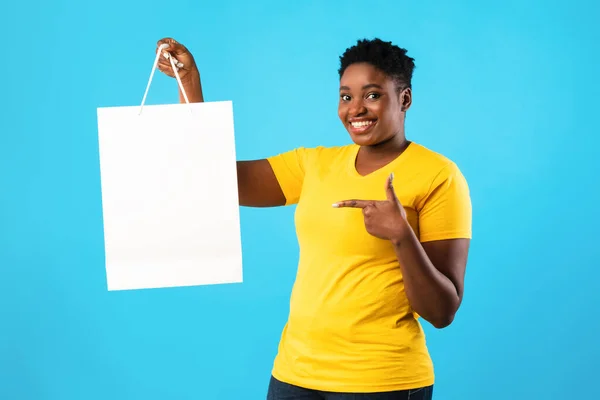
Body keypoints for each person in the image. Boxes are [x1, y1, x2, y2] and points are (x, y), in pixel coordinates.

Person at [155, 37, 472, 400]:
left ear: (404, 99)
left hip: (381, 381)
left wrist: (403, 237)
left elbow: (442, 310)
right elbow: (214, 180)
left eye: (372, 95)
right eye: (346, 96)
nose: (356, 109)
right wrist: (189, 84)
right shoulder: (315, 164)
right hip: (295, 375)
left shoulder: (439, 176)